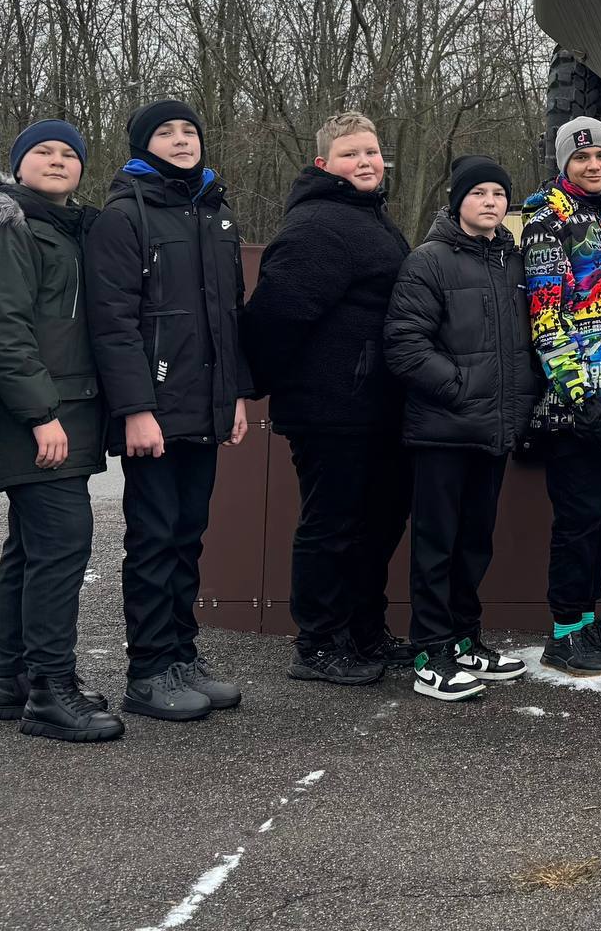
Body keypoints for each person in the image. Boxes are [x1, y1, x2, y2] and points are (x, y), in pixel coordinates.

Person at [85, 99, 253, 723]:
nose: (181, 140)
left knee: (188, 535)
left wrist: (234, 394)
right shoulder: (125, 216)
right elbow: (113, 324)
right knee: (153, 538)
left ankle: (183, 655)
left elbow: (228, 318)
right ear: (141, 144)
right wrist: (135, 408)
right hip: (152, 410)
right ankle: (149, 668)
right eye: (166, 131)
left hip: (205, 407)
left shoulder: (215, 212)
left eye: (190, 130)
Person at [0, 124, 123, 744]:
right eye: (42, 152)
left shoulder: (64, 225)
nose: (57, 161)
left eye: (68, 154)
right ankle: (52, 691)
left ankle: (16, 681)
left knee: (29, 548)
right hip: (39, 413)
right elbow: (2, 328)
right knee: (61, 546)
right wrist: (38, 413)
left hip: (65, 406)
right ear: (17, 166)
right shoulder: (9, 227)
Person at [242, 111, 414, 688]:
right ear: (325, 165)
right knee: (332, 525)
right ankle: (317, 642)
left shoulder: (372, 219)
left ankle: (363, 630)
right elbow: (275, 316)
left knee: (377, 521)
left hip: (378, 407)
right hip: (332, 407)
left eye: (371, 151)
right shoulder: (319, 225)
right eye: (350, 154)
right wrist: (258, 385)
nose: (365, 161)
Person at [385, 154, 535, 704]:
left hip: (493, 431)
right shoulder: (428, 261)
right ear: (458, 202)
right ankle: (430, 650)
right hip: (443, 430)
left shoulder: (512, 263)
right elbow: (404, 345)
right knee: (436, 543)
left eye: (498, 194)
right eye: (479, 194)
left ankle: (466, 639)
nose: (490, 202)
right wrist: (461, 388)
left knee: (475, 542)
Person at [524, 116, 601, 676]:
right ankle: (564, 629)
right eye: (580, 158)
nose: (592, 165)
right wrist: (576, 392)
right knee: (576, 519)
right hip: (573, 399)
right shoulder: (546, 217)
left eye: (600, 155)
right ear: (563, 163)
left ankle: (588, 616)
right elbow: (546, 314)